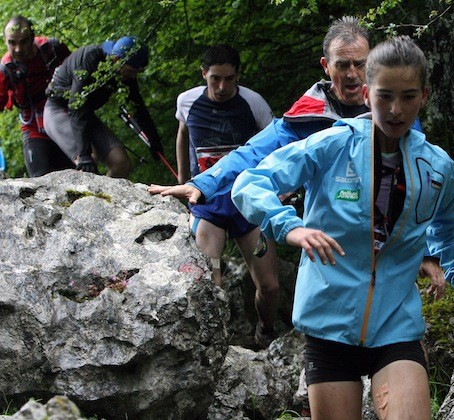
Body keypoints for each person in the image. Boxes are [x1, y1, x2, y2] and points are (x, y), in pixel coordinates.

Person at [231, 36, 454, 419]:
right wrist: (290, 228)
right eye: (385, 96)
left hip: (396, 326)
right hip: (328, 325)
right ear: (367, 94)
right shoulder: (333, 145)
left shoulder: (438, 168)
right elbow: (249, 182)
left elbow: (446, 230)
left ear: (425, 96)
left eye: (408, 96)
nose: (395, 109)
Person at [149, 16, 445, 293]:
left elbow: (422, 183)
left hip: (389, 245)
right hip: (330, 244)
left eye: (360, 64)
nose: (352, 74)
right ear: (326, 66)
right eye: (342, 65)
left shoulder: (396, 112)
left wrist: (428, 250)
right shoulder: (306, 116)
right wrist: (203, 183)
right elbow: (253, 152)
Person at [172, 44, 279, 348]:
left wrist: (279, 188)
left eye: (229, 79)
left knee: (270, 287)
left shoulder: (253, 103)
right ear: (203, 74)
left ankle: (265, 331)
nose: (221, 87)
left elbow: (278, 144)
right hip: (208, 206)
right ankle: (217, 347)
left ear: (237, 76)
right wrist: (183, 179)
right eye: (215, 78)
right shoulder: (187, 101)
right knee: (209, 283)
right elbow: (182, 134)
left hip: (249, 202)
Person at [44, 35, 163, 178]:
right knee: (88, 162)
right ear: (116, 60)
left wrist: (153, 141)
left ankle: (102, 198)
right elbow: (77, 106)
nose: (133, 77)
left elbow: (137, 108)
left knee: (121, 163)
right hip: (59, 110)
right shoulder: (90, 59)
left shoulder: (124, 74)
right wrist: (84, 154)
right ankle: (83, 198)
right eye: (131, 71)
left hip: (84, 114)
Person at [0, 15, 74, 177]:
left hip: (64, 122)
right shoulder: (6, 69)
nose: (18, 49)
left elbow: (77, 75)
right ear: (5, 41)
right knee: (40, 182)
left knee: (77, 176)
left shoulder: (52, 49)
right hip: (34, 129)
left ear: (32, 37)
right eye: (12, 42)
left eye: (23, 41)